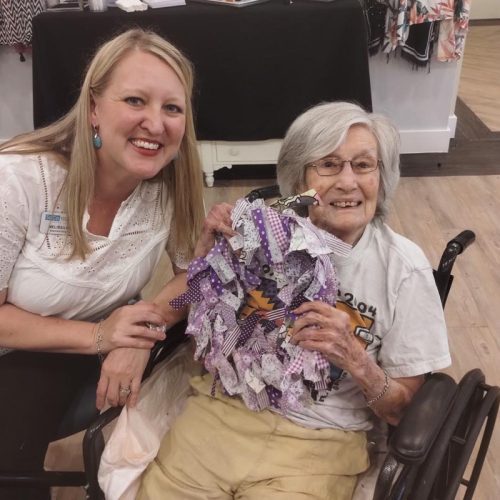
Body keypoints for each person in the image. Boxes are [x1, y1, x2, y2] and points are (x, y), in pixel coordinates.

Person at [137, 101, 451, 500]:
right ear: (300, 178)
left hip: (323, 440)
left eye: (363, 165)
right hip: (223, 414)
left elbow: (401, 411)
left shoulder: (403, 268)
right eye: (329, 164)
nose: (348, 182)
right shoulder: (265, 229)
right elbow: (201, 332)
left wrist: (354, 358)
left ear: (383, 177)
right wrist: (205, 261)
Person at [0, 28, 204, 500]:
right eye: (135, 100)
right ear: (93, 107)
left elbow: (194, 275)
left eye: (172, 108)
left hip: (80, 346)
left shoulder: (168, 185)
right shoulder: (20, 181)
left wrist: (139, 333)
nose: (156, 123)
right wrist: (101, 337)